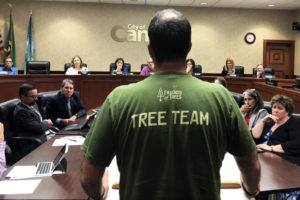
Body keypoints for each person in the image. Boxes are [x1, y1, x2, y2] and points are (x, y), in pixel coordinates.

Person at [80, 9, 260, 200]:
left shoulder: (119, 98)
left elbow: (89, 177)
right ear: (189, 47)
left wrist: (101, 194)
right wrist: (250, 190)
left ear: (150, 49)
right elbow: (251, 165)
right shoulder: (220, 97)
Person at [252, 95, 300, 200]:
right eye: (274, 107)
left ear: (288, 111)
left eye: (280, 108)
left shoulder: (294, 122)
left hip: (285, 160)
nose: (275, 110)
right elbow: (255, 136)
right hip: (265, 157)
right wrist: (263, 121)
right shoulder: (270, 122)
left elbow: (296, 144)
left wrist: (271, 148)